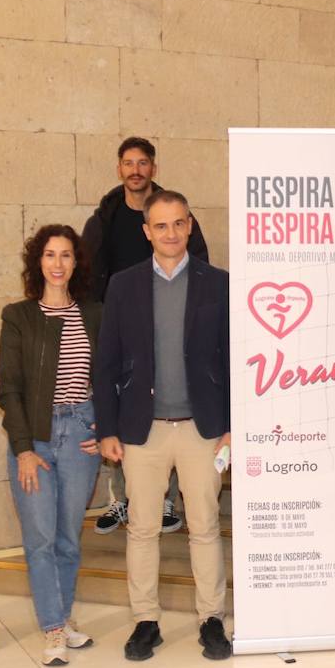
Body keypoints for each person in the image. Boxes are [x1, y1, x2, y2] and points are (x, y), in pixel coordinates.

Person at [94, 189, 233, 661]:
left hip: (203, 429)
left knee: (205, 527)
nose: (170, 233)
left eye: (178, 223)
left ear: (190, 225)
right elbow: (107, 361)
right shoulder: (123, 285)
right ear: (146, 231)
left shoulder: (218, 284)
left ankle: (212, 620)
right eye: (160, 225)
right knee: (142, 529)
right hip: (143, 429)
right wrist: (108, 428)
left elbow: (233, 360)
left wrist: (233, 426)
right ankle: (145, 621)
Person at [82, 137, 208, 536]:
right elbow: (88, 275)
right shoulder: (104, 218)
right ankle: (124, 500)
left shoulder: (176, 212)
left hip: (174, 325)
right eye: (127, 163)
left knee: (173, 409)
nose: (135, 170)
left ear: (153, 168)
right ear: (119, 169)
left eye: (143, 163)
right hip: (123, 329)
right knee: (128, 415)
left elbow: (200, 265)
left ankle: (166, 500)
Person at [0, 225, 103, 666]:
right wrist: (23, 447)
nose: (57, 263)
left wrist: (107, 426)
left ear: (76, 263)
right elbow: (10, 388)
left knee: (68, 538)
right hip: (36, 437)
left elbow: (114, 375)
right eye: (49, 255)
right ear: (37, 262)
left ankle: (62, 614)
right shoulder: (18, 316)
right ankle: (54, 627)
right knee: (40, 537)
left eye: (66, 255)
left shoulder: (95, 313)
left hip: (81, 433)